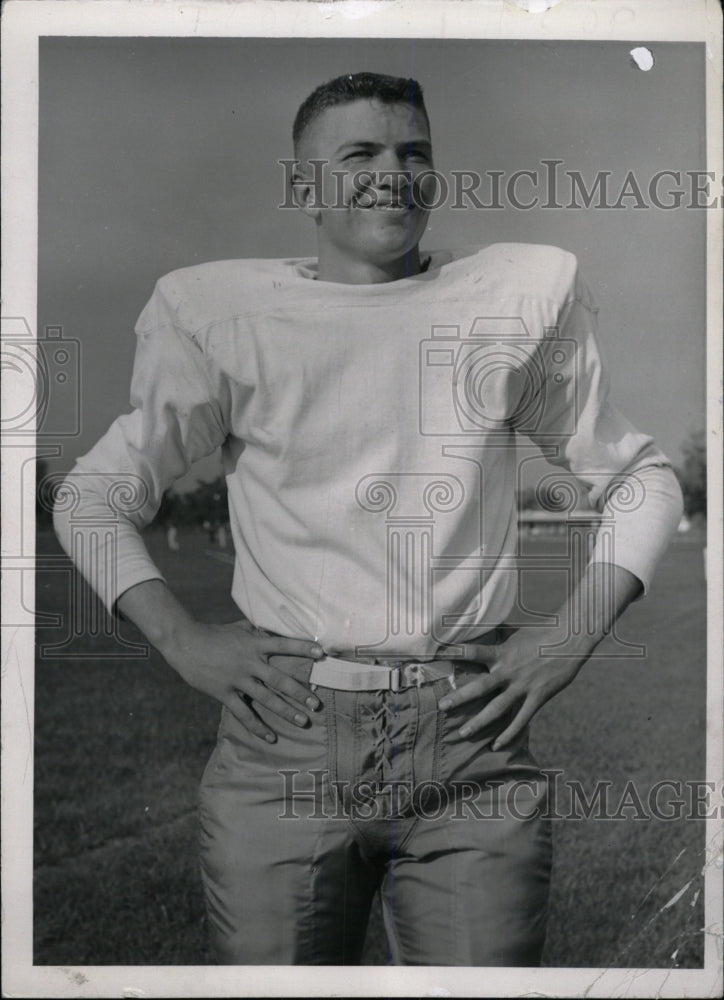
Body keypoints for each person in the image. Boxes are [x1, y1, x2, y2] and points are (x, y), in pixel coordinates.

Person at [54, 72, 683, 966]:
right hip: (285, 744)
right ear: (304, 186)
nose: (393, 172)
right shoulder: (228, 316)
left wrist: (567, 636)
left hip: (469, 739)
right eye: (360, 154)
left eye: (414, 152)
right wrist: (184, 641)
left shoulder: (509, 300)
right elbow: (92, 493)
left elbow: (641, 478)